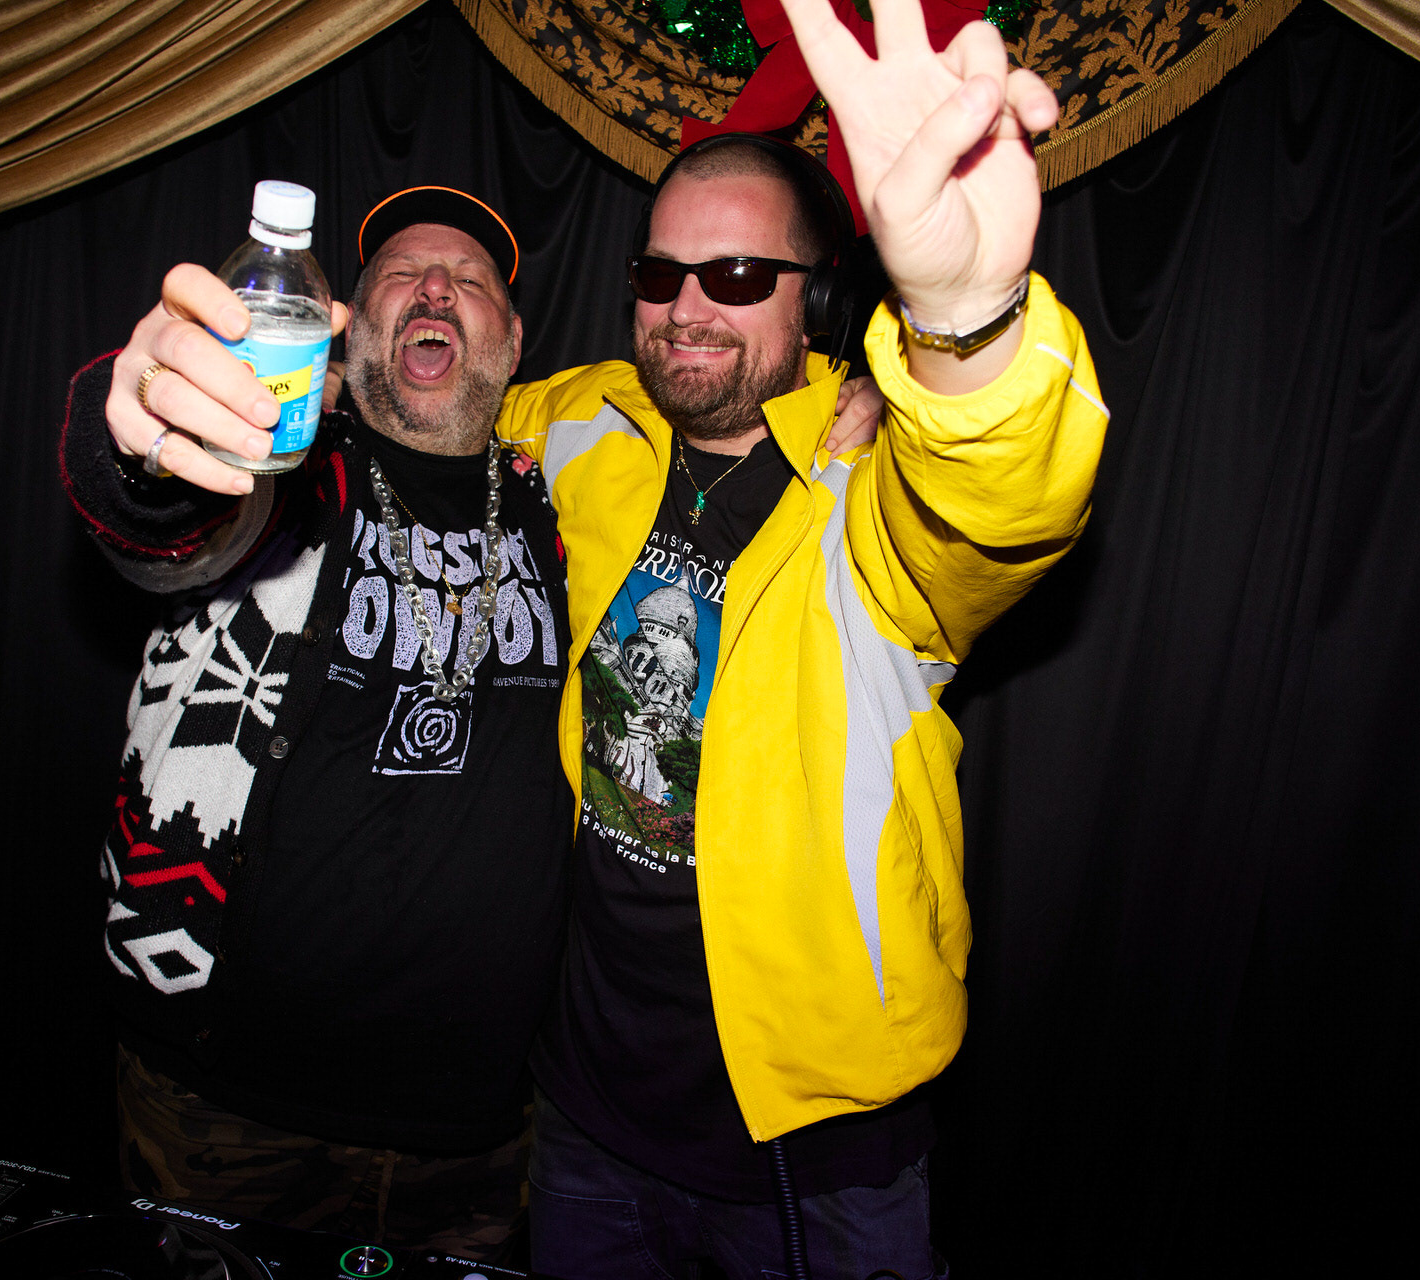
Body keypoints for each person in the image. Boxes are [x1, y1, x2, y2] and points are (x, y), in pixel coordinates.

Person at [99, 4, 1105, 1273]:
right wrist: (166, 420)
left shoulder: (878, 490)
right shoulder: (577, 437)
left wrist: (962, 317)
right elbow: (230, 474)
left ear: (815, 302)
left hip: (805, 1148)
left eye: (735, 278)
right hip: (573, 1120)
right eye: (659, 274)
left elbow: (1007, 495)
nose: (687, 308)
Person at [61, 187, 571, 1261]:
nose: (435, 290)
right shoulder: (281, 467)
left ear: (514, 340)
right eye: (402, 274)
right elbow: (158, 510)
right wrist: (146, 430)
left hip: (474, 1122)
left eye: (469, 279)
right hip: (225, 1103)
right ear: (348, 327)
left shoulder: (559, 500)